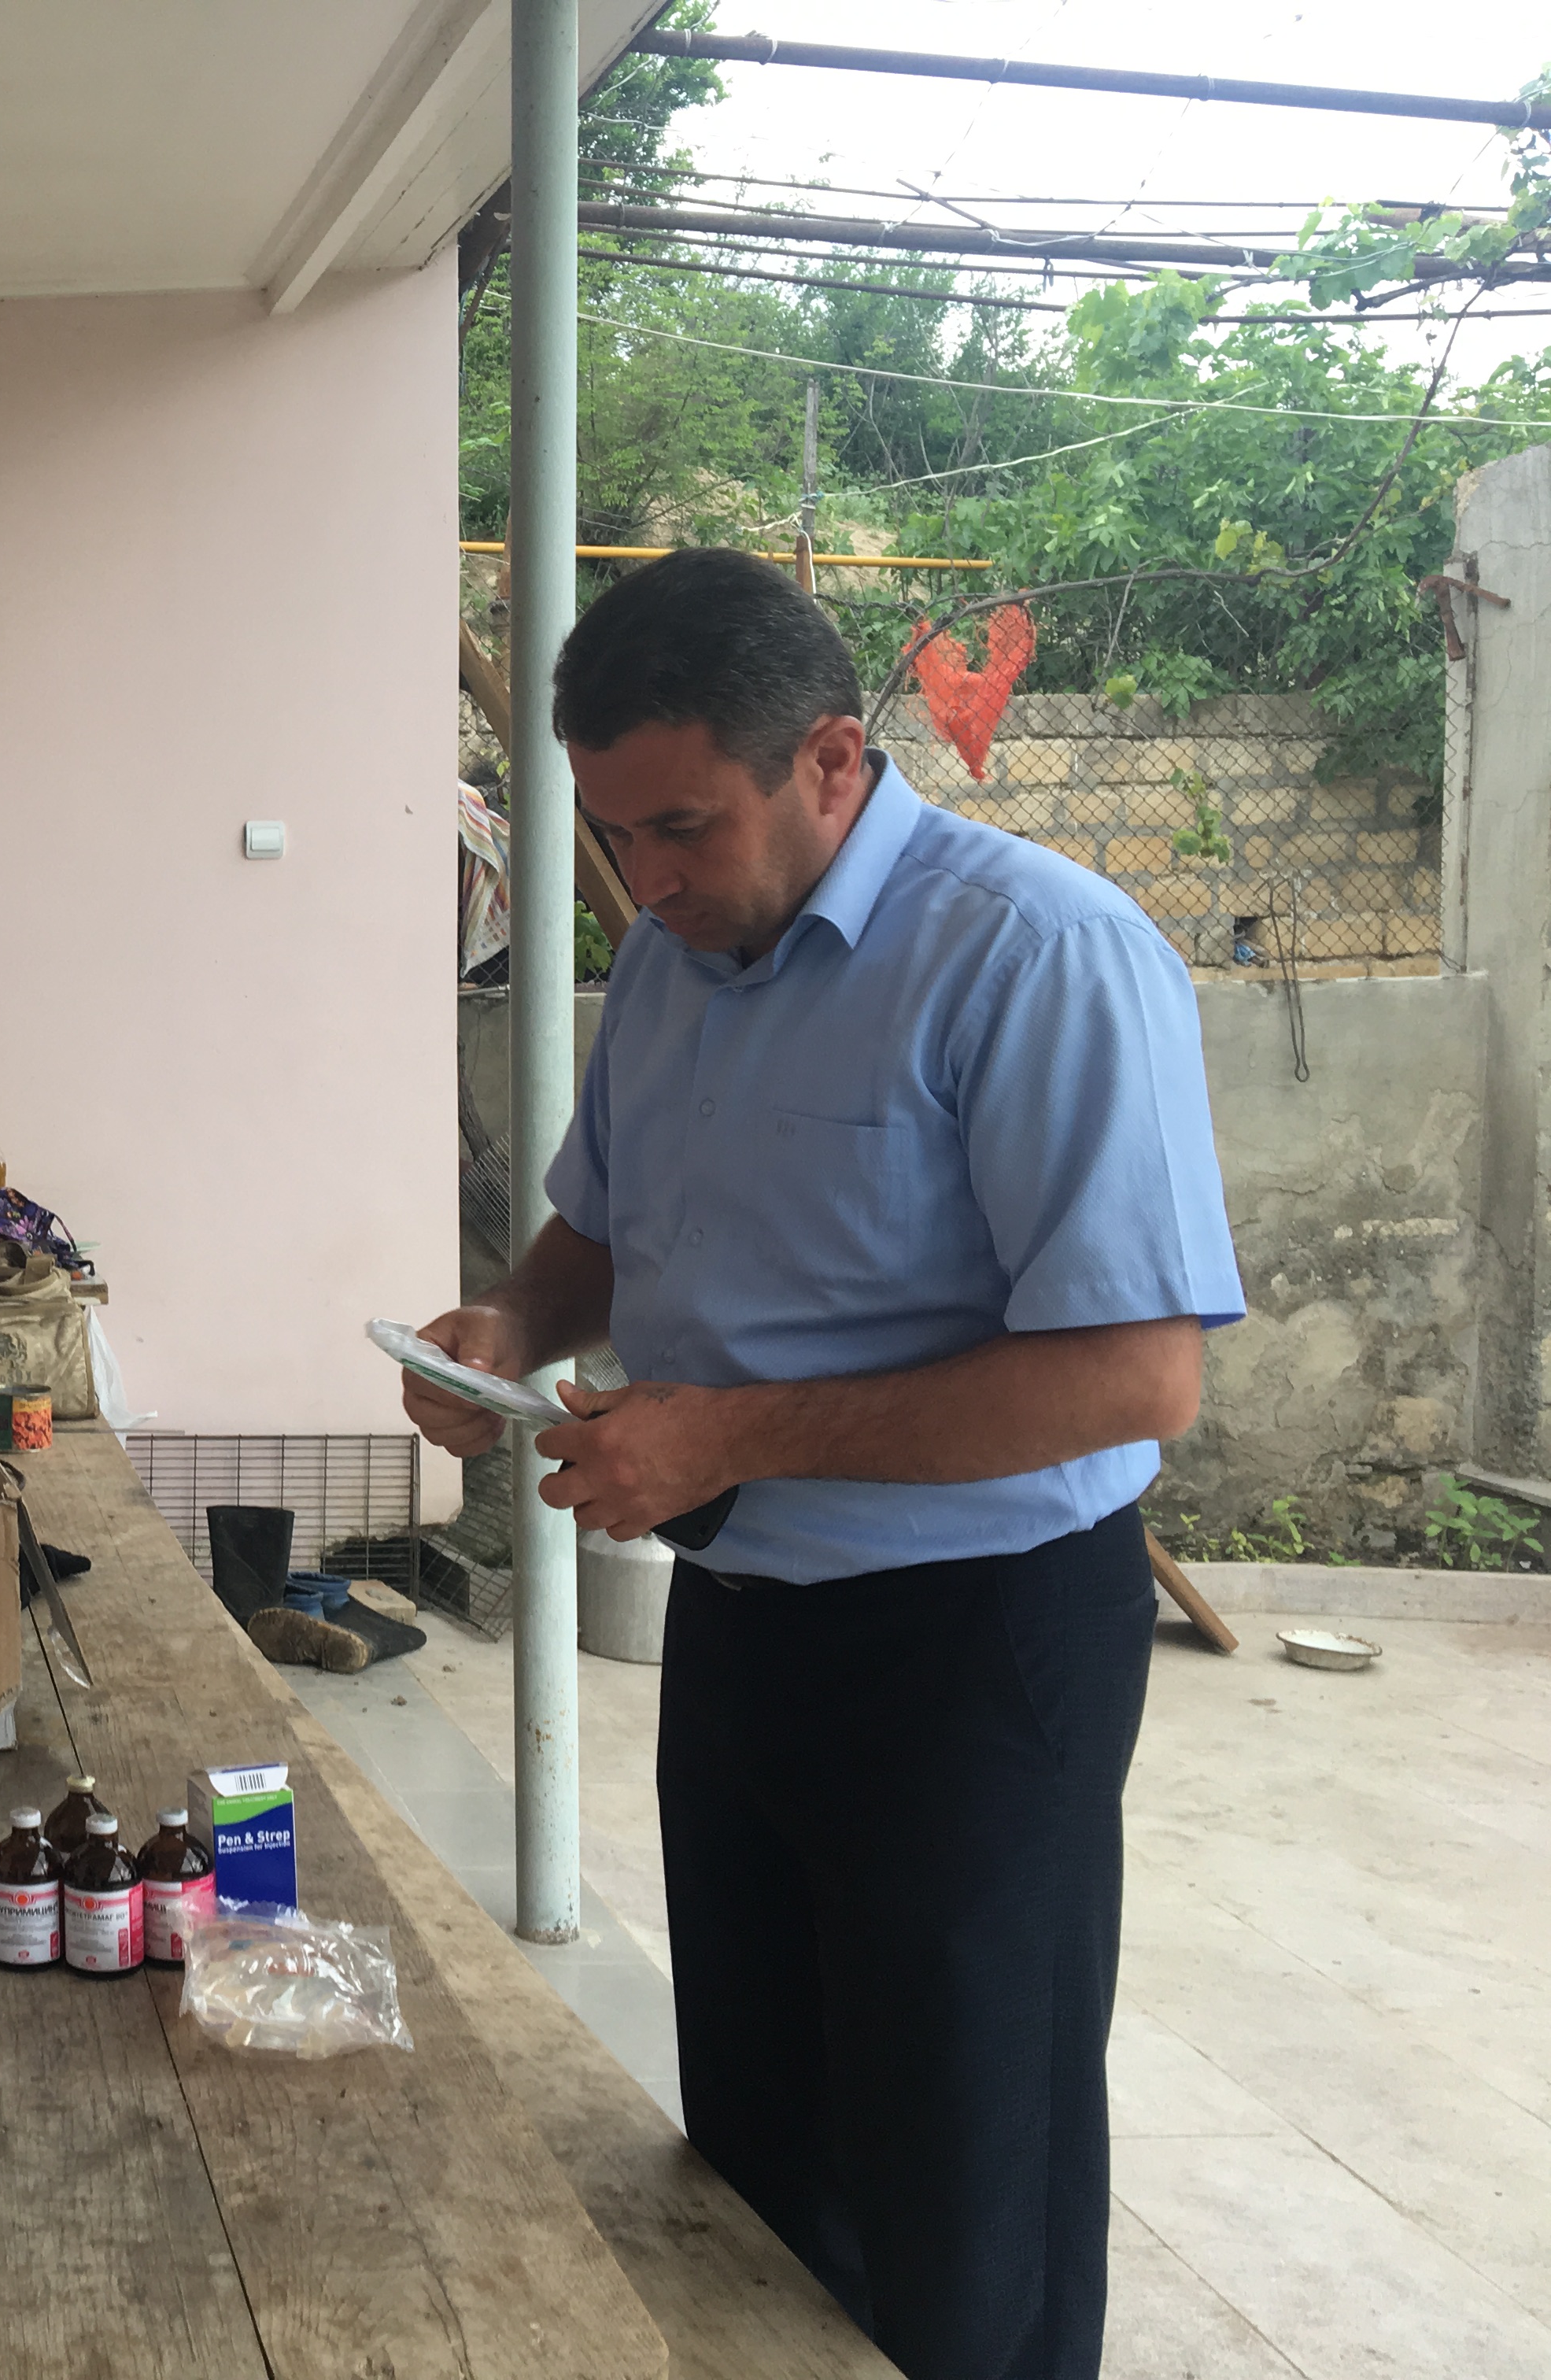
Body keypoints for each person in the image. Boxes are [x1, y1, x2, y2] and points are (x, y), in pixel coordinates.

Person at [404, 548, 1243, 2380]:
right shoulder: (675, 963)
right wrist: (508, 1328)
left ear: (835, 762)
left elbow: (1138, 1374)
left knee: (964, 2180)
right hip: (745, 1618)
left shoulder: (1038, 954)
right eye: (615, 834)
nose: (649, 882)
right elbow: (599, 1233)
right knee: (759, 2155)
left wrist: (736, 1430)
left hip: (977, 1653)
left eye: (684, 828)